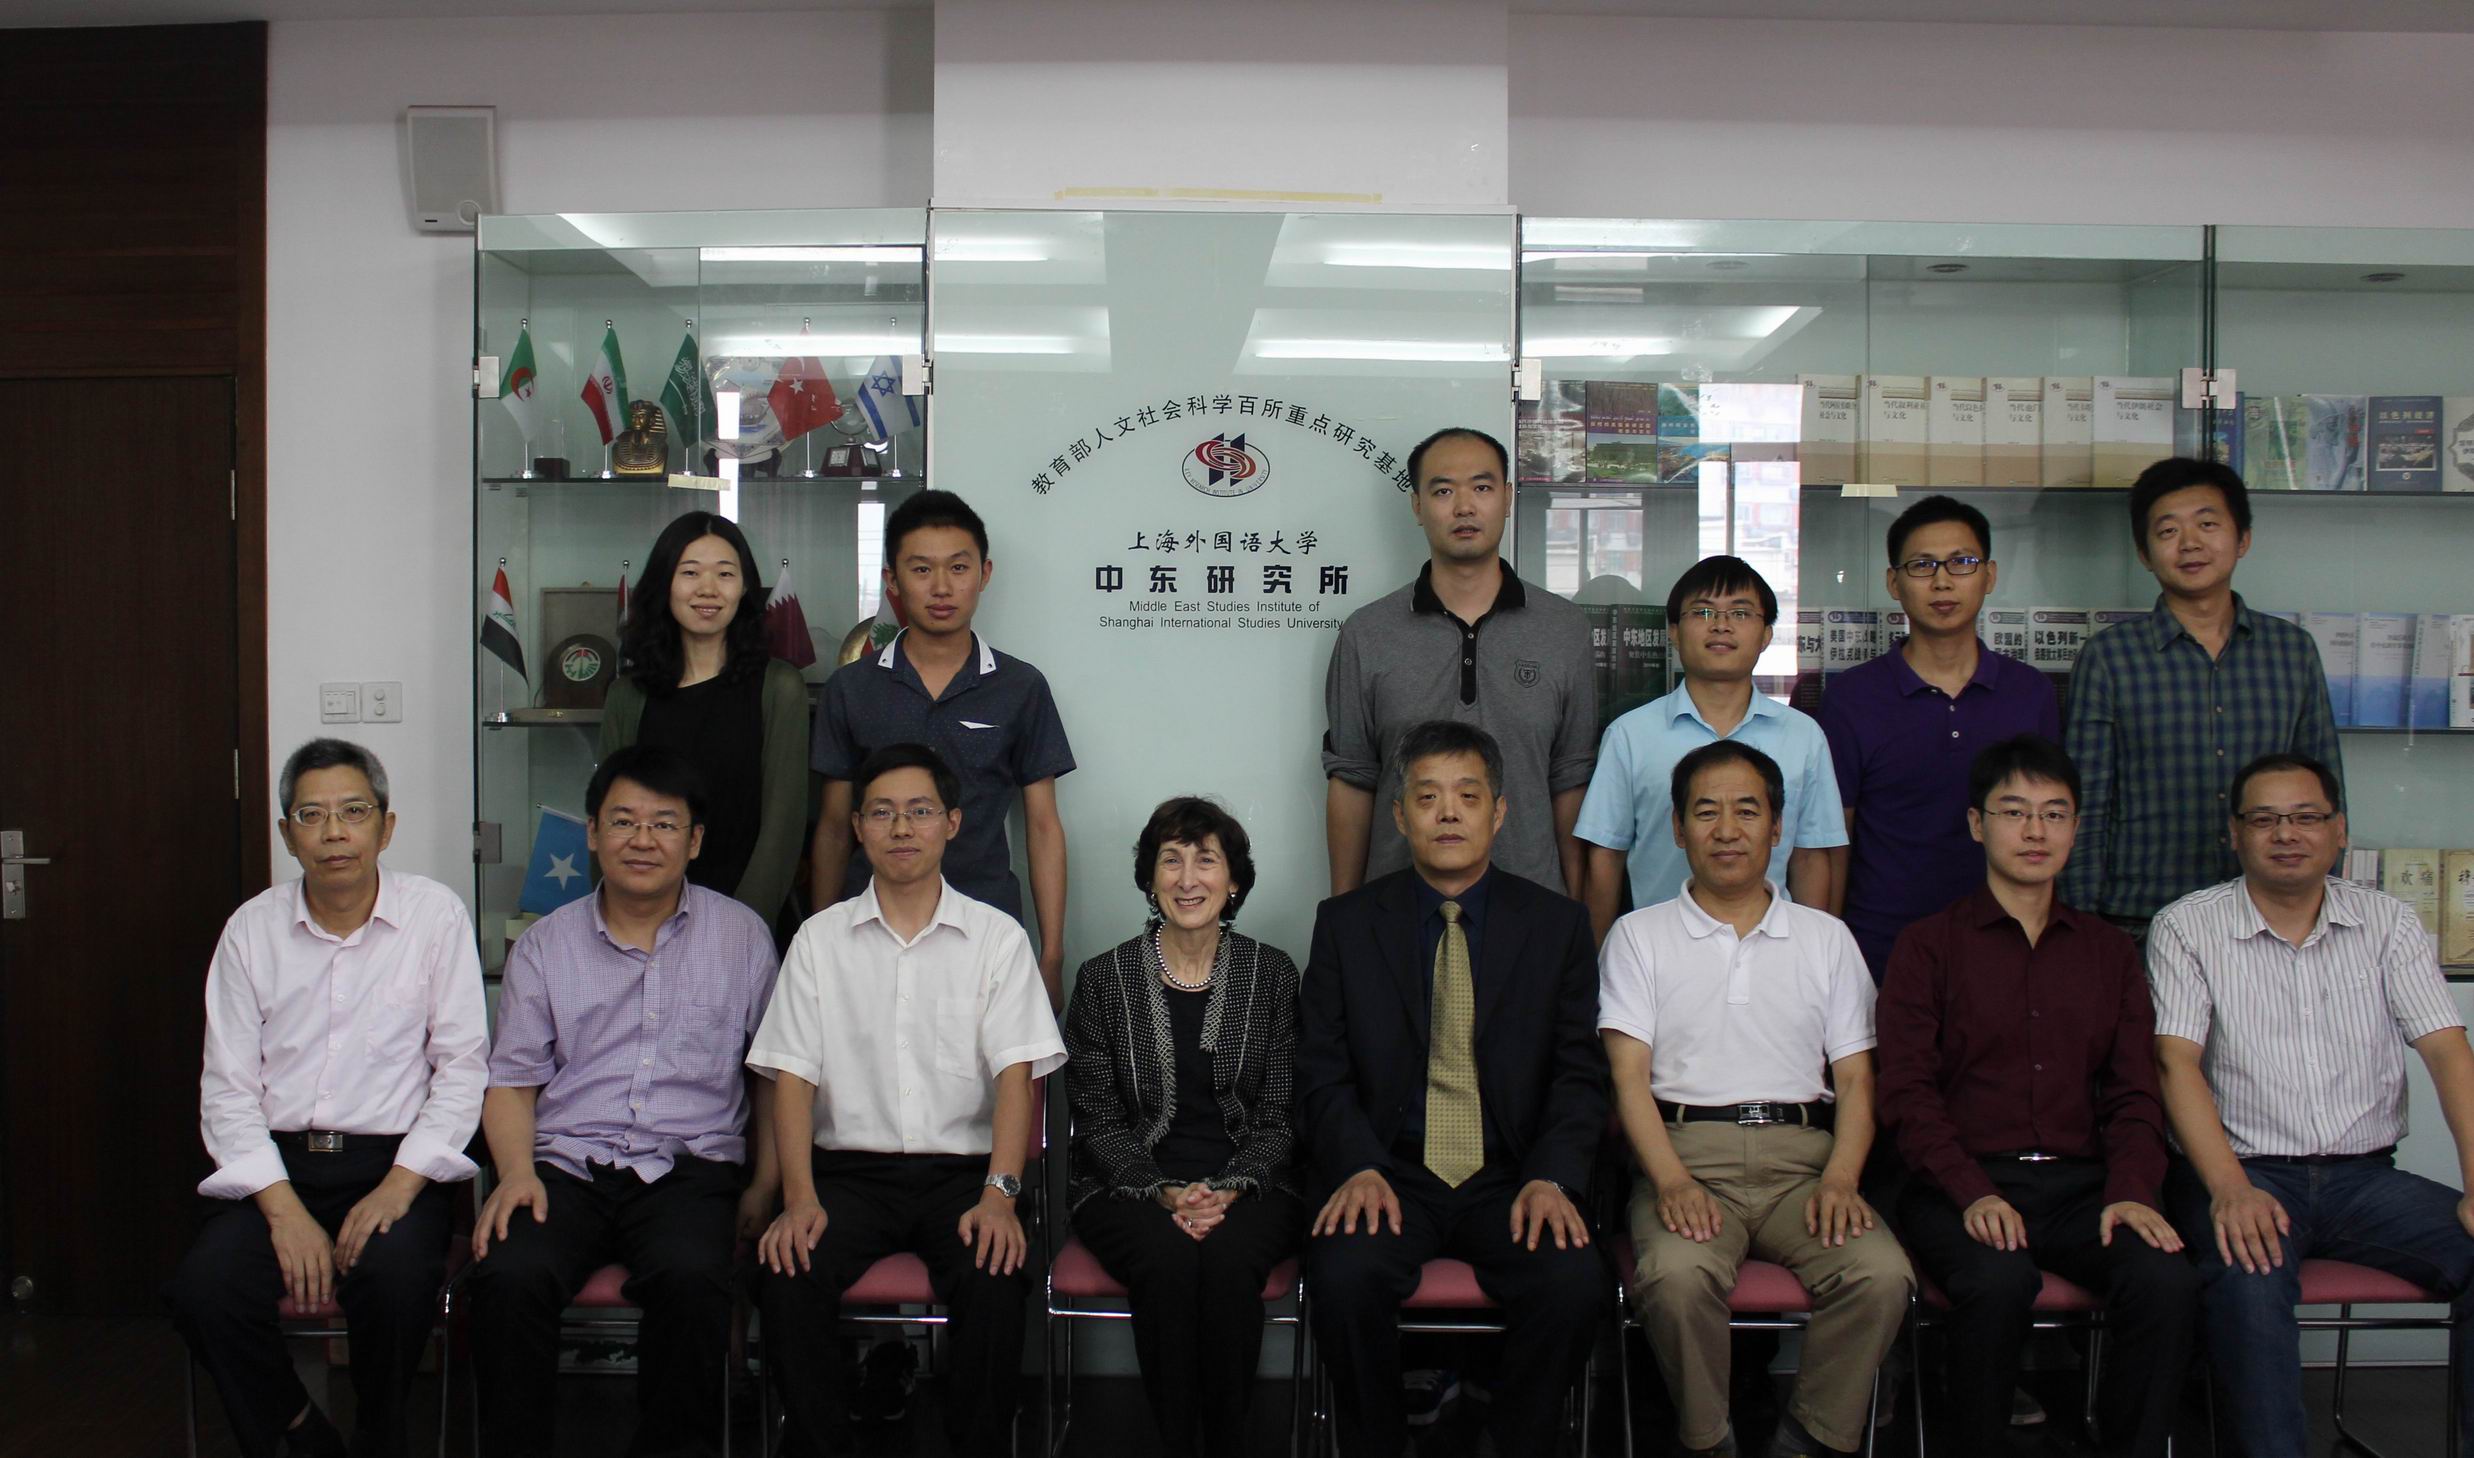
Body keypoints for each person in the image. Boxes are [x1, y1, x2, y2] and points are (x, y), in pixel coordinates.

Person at [1297, 719, 1612, 1458]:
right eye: (1427, 796)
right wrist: (1357, 1163)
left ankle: (1512, 1441)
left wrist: (1551, 1177)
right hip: (1391, 1171)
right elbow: (1320, 1067)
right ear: (1399, 815)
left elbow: (1579, 1074)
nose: (1447, 813)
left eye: (1467, 796)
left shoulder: (1558, 927)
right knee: (1343, 1276)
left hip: (1511, 1175)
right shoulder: (1346, 925)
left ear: (1498, 813)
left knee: (1573, 1282)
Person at [165, 739, 488, 1458]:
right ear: (288, 834)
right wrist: (284, 1213)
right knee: (203, 1289)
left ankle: (380, 1434)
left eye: (353, 812)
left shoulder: (435, 917)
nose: (334, 832)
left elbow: (462, 1069)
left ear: (386, 826)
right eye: (311, 815)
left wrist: (400, 1186)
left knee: (396, 1281)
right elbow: (227, 1088)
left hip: (393, 1166)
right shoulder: (251, 930)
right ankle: (301, 1429)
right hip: (277, 1169)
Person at [1875, 735, 2195, 1458]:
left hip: (2082, 1188)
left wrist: (2133, 1190)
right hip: (1961, 1185)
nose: (2035, 831)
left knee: (2165, 1281)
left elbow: (2135, 1091)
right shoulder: (1928, 946)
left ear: (2076, 828)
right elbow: (1906, 1092)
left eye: (2054, 814)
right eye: (2014, 811)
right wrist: (1971, 1192)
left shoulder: (2109, 952)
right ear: (1976, 824)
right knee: (1996, 1282)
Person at [2150, 752, 2474, 1458]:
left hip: (2366, 1180)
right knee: (2250, 1279)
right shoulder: (2187, 926)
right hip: (2246, 1173)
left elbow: (2449, 1052)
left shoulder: (2387, 922)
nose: (2286, 834)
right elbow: (2176, 1062)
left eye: (2305, 817)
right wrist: (2230, 1189)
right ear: (2235, 833)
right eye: (2264, 819)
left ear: (2339, 830)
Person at [465, 745, 781, 1458]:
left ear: (694, 841)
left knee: (692, 1277)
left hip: (689, 1169)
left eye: (664, 824)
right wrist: (514, 1174)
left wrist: (764, 1184)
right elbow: (512, 1079)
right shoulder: (545, 945)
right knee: (510, 1276)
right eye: (623, 821)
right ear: (591, 832)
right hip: (565, 1167)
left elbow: (771, 1075)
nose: (643, 840)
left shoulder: (742, 937)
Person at [753, 743, 1067, 1458]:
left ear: (952, 823)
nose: (902, 828)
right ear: (857, 827)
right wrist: (797, 1199)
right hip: (847, 1177)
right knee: (787, 1269)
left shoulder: (997, 939)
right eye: (882, 813)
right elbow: (791, 1079)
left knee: (995, 1272)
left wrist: (1001, 1195)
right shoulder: (818, 941)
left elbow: (1016, 1079)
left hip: (964, 1176)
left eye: (920, 811)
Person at [1603, 740, 1911, 1458]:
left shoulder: (1826, 939)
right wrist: (1671, 1181)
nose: (1727, 830)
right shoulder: (1637, 936)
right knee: (1676, 1279)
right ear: (1677, 827)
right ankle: (1708, 1440)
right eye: (1705, 811)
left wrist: (1842, 1178)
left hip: (1804, 1166)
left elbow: (1858, 1079)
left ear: (1777, 827)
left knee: (1881, 1275)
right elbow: (1627, 1079)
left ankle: (1807, 1437)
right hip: (1686, 1157)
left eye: (1747, 811)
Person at [1062, 796, 1307, 1458]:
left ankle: (1224, 1443)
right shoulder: (1103, 979)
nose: (1188, 879)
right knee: (1168, 1260)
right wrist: (1162, 1190)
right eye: (1171, 860)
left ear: (1234, 881)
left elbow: (1282, 1114)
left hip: (1256, 1184)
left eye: (1207, 860)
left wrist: (1230, 1187)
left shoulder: (1273, 974)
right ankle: (1177, 1443)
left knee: (1227, 1261)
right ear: (1150, 878)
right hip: (1123, 1185)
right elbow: (1097, 1117)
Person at [810, 490, 1076, 1005]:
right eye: (921, 569)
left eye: (958, 567)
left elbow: (1043, 826)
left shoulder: (1020, 686)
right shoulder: (852, 688)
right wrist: (819, 939)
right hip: (870, 929)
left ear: (984, 573)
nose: (941, 587)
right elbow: (835, 827)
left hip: (987, 930)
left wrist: (1051, 956)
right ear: (892, 580)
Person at [2063, 458, 2343, 936]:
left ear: (2243, 539)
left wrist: (2321, 915)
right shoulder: (2109, 657)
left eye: (2207, 524)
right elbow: (2084, 804)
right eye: (2168, 530)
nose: (2190, 543)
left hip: (2270, 918)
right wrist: (2082, 929)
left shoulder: (2292, 651)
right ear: (2145, 553)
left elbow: (2325, 795)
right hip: (2140, 920)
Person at [1323, 426, 1596, 899]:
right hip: (1396, 909)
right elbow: (1352, 782)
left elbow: (1571, 783)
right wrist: (1343, 918)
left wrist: (1575, 918)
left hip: (1531, 908)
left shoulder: (1565, 630)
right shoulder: (1366, 633)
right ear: (1417, 506)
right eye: (1443, 491)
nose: (1464, 507)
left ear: (1507, 498)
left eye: (1482, 488)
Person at [1818, 495, 2059, 980]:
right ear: (1894, 582)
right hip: (1880, 951)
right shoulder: (1851, 698)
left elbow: (2051, 826)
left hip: (2009, 947)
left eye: (1962, 562)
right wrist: (1828, 952)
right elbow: (1833, 842)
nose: (1943, 581)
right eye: (1922, 565)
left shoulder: (2031, 692)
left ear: (1989, 575)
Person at [1578, 556, 1848, 946]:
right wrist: (1599, 959)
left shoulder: (1803, 736)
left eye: (1740, 613)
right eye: (1703, 612)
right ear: (1673, 631)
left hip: (1772, 950)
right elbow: (1606, 857)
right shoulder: (1630, 735)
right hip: (1658, 952)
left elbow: (1810, 856)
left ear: (1766, 635)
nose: (1721, 625)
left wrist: (1812, 954)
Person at [600, 511, 811, 932]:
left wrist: (736, 932)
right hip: (644, 924)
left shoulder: (779, 687)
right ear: (665, 582)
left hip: (748, 922)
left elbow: (782, 829)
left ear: (745, 586)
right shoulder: (628, 695)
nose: (708, 589)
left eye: (725, 574)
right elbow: (612, 821)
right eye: (690, 572)